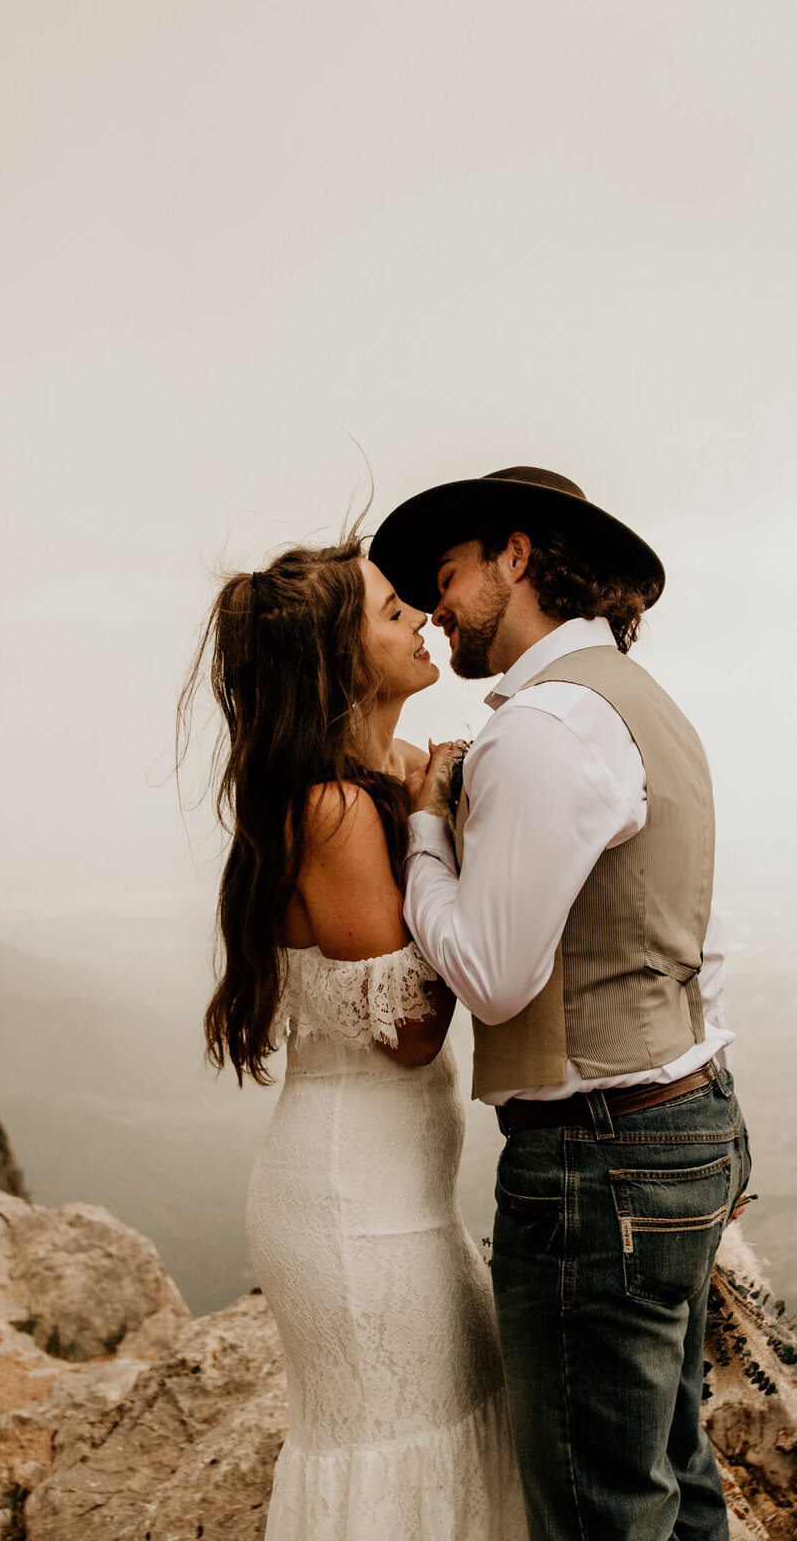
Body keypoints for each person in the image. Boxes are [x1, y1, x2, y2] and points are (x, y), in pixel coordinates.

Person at [369, 466, 752, 1541]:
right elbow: (697, 939)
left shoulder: (544, 726)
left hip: (599, 1161)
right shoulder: (636, 704)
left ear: (516, 556)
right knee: (675, 1480)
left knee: (598, 1511)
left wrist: (428, 831)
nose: (435, 608)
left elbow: (491, 974)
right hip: (680, 1115)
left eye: (445, 576)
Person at [179, 539, 529, 1541]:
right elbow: (413, 1032)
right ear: (339, 661)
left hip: (399, 1202)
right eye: (389, 612)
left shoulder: (374, 786)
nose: (421, 615)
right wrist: (439, 837)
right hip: (353, 1210)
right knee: (400, 1466)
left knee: (452, 1442)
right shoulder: (334, 810)